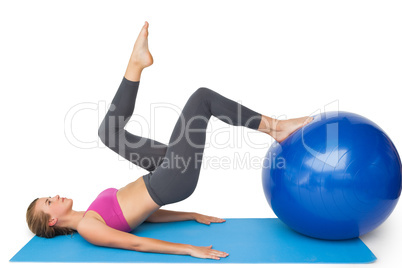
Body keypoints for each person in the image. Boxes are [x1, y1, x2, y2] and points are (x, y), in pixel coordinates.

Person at [26, 21, 313, 260]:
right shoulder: (89, 227)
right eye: (50, 201)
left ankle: (135, 64)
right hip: (171, 180)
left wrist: (191, 215)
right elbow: (134, 243)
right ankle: (274, 128)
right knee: (202, 99)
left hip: (161, 174)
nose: (56, 196)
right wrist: (188, 249)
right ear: (51, 220)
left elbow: (144, 217)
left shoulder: (90, 212)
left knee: (108, 134)